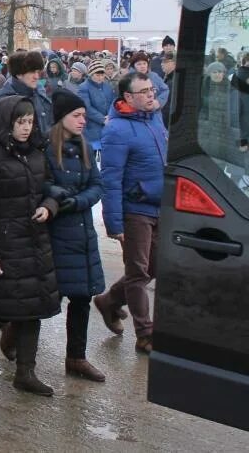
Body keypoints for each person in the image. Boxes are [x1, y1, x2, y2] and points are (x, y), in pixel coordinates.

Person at [0, 95, 60, 396]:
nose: (26, 128)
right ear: (8, 123)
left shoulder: (36, 154)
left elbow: (51, 189)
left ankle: (25, 372)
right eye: (20, 122)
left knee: (35, 307)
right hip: (7, 243)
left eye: (30, 122)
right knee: (8, 306)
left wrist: (50, 206)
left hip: (35, 239)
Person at [93, 73, 167, 354]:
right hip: (134, 209)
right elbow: (110, 179)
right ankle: (145, 333)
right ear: (128, 98)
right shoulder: (117, 130)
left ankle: (110, 300)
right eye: (145, 91)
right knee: (138, 272)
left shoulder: (155, 120)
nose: (151, 95)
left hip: (159, 206)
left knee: (155, 268)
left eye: (152, 90)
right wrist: (114, 222)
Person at [42, 90, 107, 382]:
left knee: (82, 299)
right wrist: (59, 197)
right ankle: (8, 334)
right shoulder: (45, 148)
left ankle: (76, 358)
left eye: (83, 115)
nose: (83, 121)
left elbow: (96, 184)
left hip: (82, 233)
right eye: (76, 116)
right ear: (61, 119)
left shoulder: (84, 146)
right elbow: (41, 183)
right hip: (56, 234)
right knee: (40, 297)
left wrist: (78, 202)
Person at [0, 50, 54, 139]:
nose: (37, 76)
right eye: (32, 72)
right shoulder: (3, 101)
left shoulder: (40, 92)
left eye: (37, 72)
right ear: (19, 74)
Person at [78, 61, 111, 154]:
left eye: (102, 74)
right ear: (91, 74)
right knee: (95, 156)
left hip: (108, 125)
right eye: (97, 74)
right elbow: (86, 107)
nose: (100, 77)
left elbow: (112, 102)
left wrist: (110, 116)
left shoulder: (107, 86)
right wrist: (102, 119)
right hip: (92, 127)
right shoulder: (84, 87)